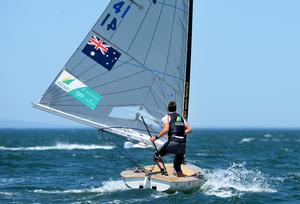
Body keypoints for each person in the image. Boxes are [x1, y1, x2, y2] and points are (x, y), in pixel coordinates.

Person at [150, 101, 192, 177]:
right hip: (182, 144)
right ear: (176, 109)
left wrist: (155, 138)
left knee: (156, 156)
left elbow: (166, 129)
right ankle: (181, 183)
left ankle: (163, 172)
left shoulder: (167, 117)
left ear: (168, 109)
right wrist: (180, 133)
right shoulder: (181, 117)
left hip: (173, 142)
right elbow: (189, 129)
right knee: (177, 167)